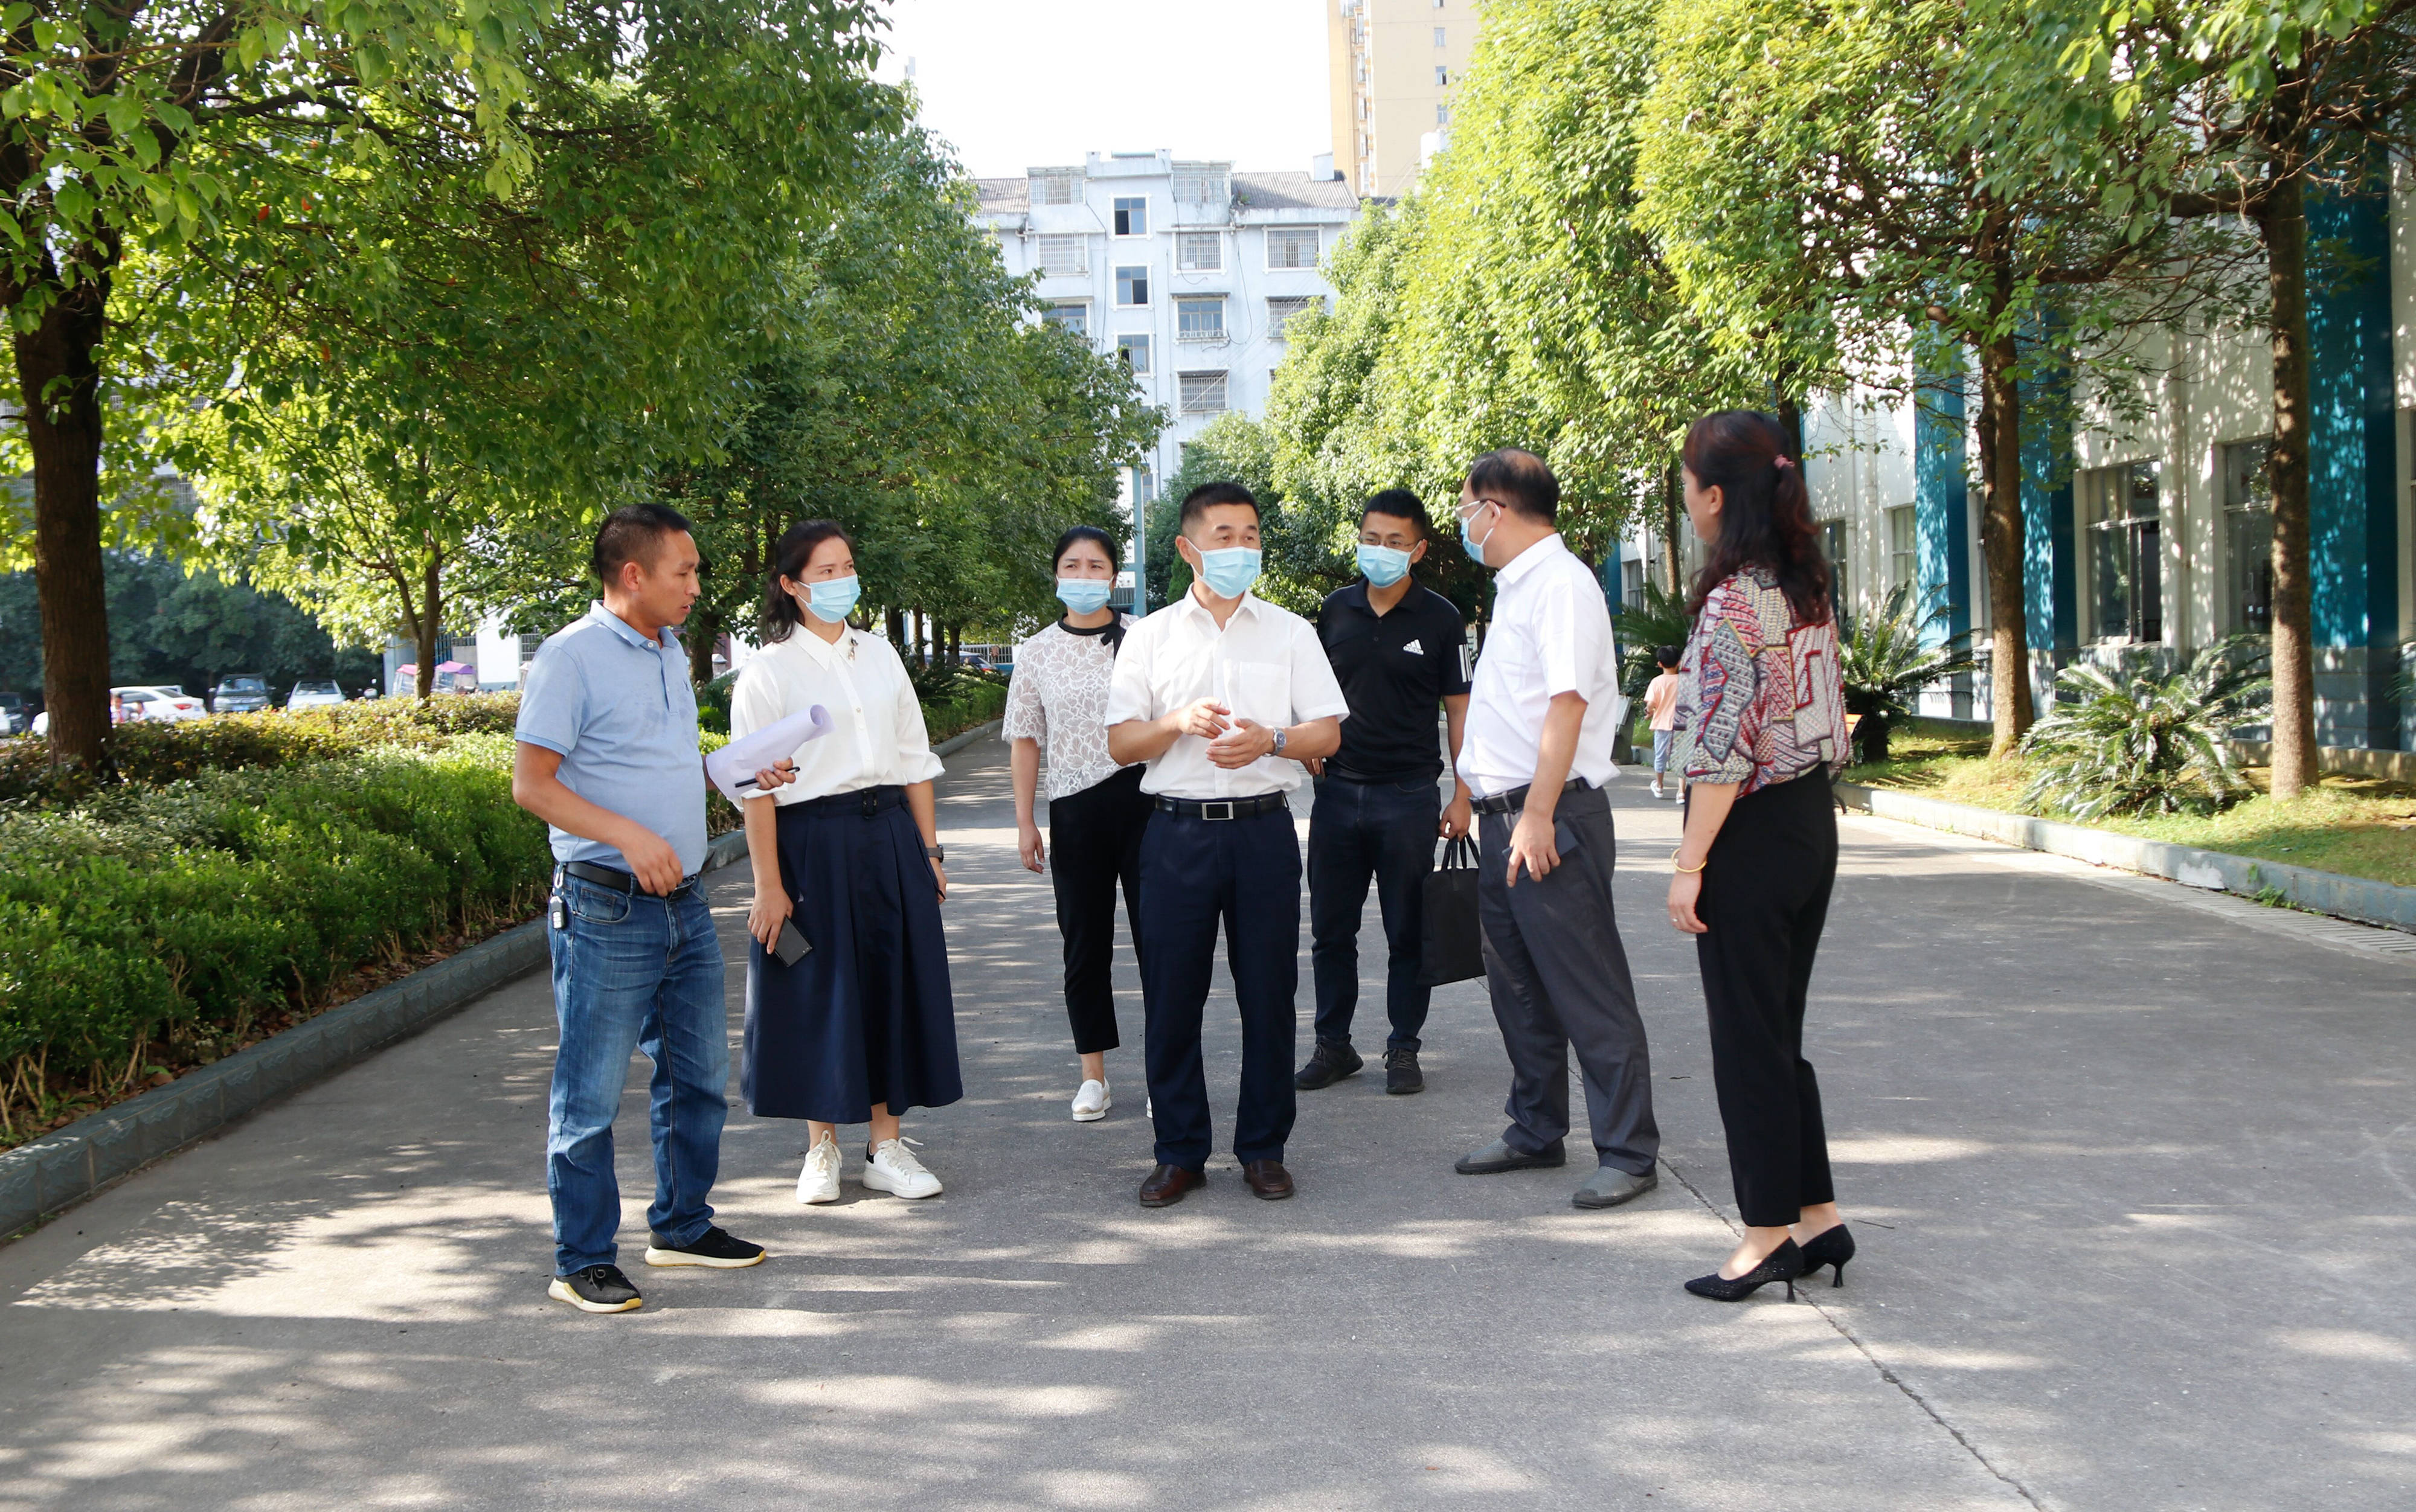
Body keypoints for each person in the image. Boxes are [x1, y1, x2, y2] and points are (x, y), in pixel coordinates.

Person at [512, 502, 794, 1315]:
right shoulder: (570, 659)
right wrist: (627, 838)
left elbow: (659, 762)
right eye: (685, 571)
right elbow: (533, 786)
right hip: (606, 909)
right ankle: (581, 1259)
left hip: (684, 905)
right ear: (632, 574)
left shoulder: (669, 650)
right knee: (589, 1095)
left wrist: (740, 771)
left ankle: (682, 1224)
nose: (696, 586)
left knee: (699, 1077)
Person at [1105, 482, 1349, 1207]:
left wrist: (1270, 740)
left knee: (1269, 996)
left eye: (1250, 535)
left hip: (1263, 833)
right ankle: (1179, 1152)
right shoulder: (1149, 637)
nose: (1240, 548)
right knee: (1172, 998)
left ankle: (1263, 1148)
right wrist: (1177, 720)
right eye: (1223, 534)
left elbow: (1328, 731)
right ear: (1187, 548)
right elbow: (1121, 743)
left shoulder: (1289, 632)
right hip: (1176, 834)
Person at [1664, 411, 1853, 1302]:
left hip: (1752, 829)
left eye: (1687, 484)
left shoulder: (1736, 600)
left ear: (1712, 495)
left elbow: (1722, 751)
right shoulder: (1802, 584)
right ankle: (1816, 1215)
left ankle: (1766, 1230)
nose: (1685, 500)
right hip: (1811, 822)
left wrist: (1688, 864)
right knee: (1779, 1033)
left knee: (1748, 1042)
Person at [1449, 449, 1660, 1211]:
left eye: (1467, 508)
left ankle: (1629, 1149)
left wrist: (1536, 815)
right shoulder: (1516, 588)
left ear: (1495, 510)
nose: (1465, 523)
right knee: (1518, 987)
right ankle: (1535, 1127)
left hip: (1550, 816)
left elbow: (1566, 705)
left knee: (1586, 986)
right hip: (1508, 814)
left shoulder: (1562, 586)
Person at [734, 519, 960, 1208]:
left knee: (892, 979)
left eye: (846, 567)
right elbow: (752, 785)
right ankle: (821, 1148)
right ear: (791, 585)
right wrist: (768, 885)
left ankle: (884, 1145)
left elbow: (915, 759)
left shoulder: (882, 656)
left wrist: (929, 851)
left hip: (888, 829)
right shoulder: (769, 670)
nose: (841, 581)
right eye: (825, 571)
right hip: (811, 839)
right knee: (818, 986)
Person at [1296, 490, 1473, 1097]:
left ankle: (1403, 1047)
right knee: (1330, 930)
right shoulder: (1335, 609)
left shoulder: (1442, 618)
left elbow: (1460, 710)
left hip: (1408, 794)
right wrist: (1306, 737)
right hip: (1337, 792)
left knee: (1406, 930)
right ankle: (1333, 1045)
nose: (1381, 550)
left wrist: (1462, 793)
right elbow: (1312, 689)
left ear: (1418, 548)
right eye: (1372, 537)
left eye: (1395, 541)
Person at [1007, 525, 1151, 1122]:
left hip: (1144, 800)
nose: (1085, 574)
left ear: (1114, 576)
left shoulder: (1143, 639)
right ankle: (1092, 1074)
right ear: (1057, 574)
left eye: (1097, 565)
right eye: (1073, 563)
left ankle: (1161, 1074)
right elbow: (1024, 738)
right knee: (1084, 943)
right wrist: (1024, 820)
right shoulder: (1036, 650)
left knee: (1161, 941)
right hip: (1073, 808)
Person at [1644, 647, 1683, 801]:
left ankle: (1659, 786)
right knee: (1681, 758)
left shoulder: (1657, 682)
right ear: (1679, 663)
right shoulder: (1684, 681)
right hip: (1681, 725)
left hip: (1661, 725)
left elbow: (1651, 705)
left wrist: (1649, 712)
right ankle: (1681, 792)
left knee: (1660, 756)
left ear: (1660, 664)